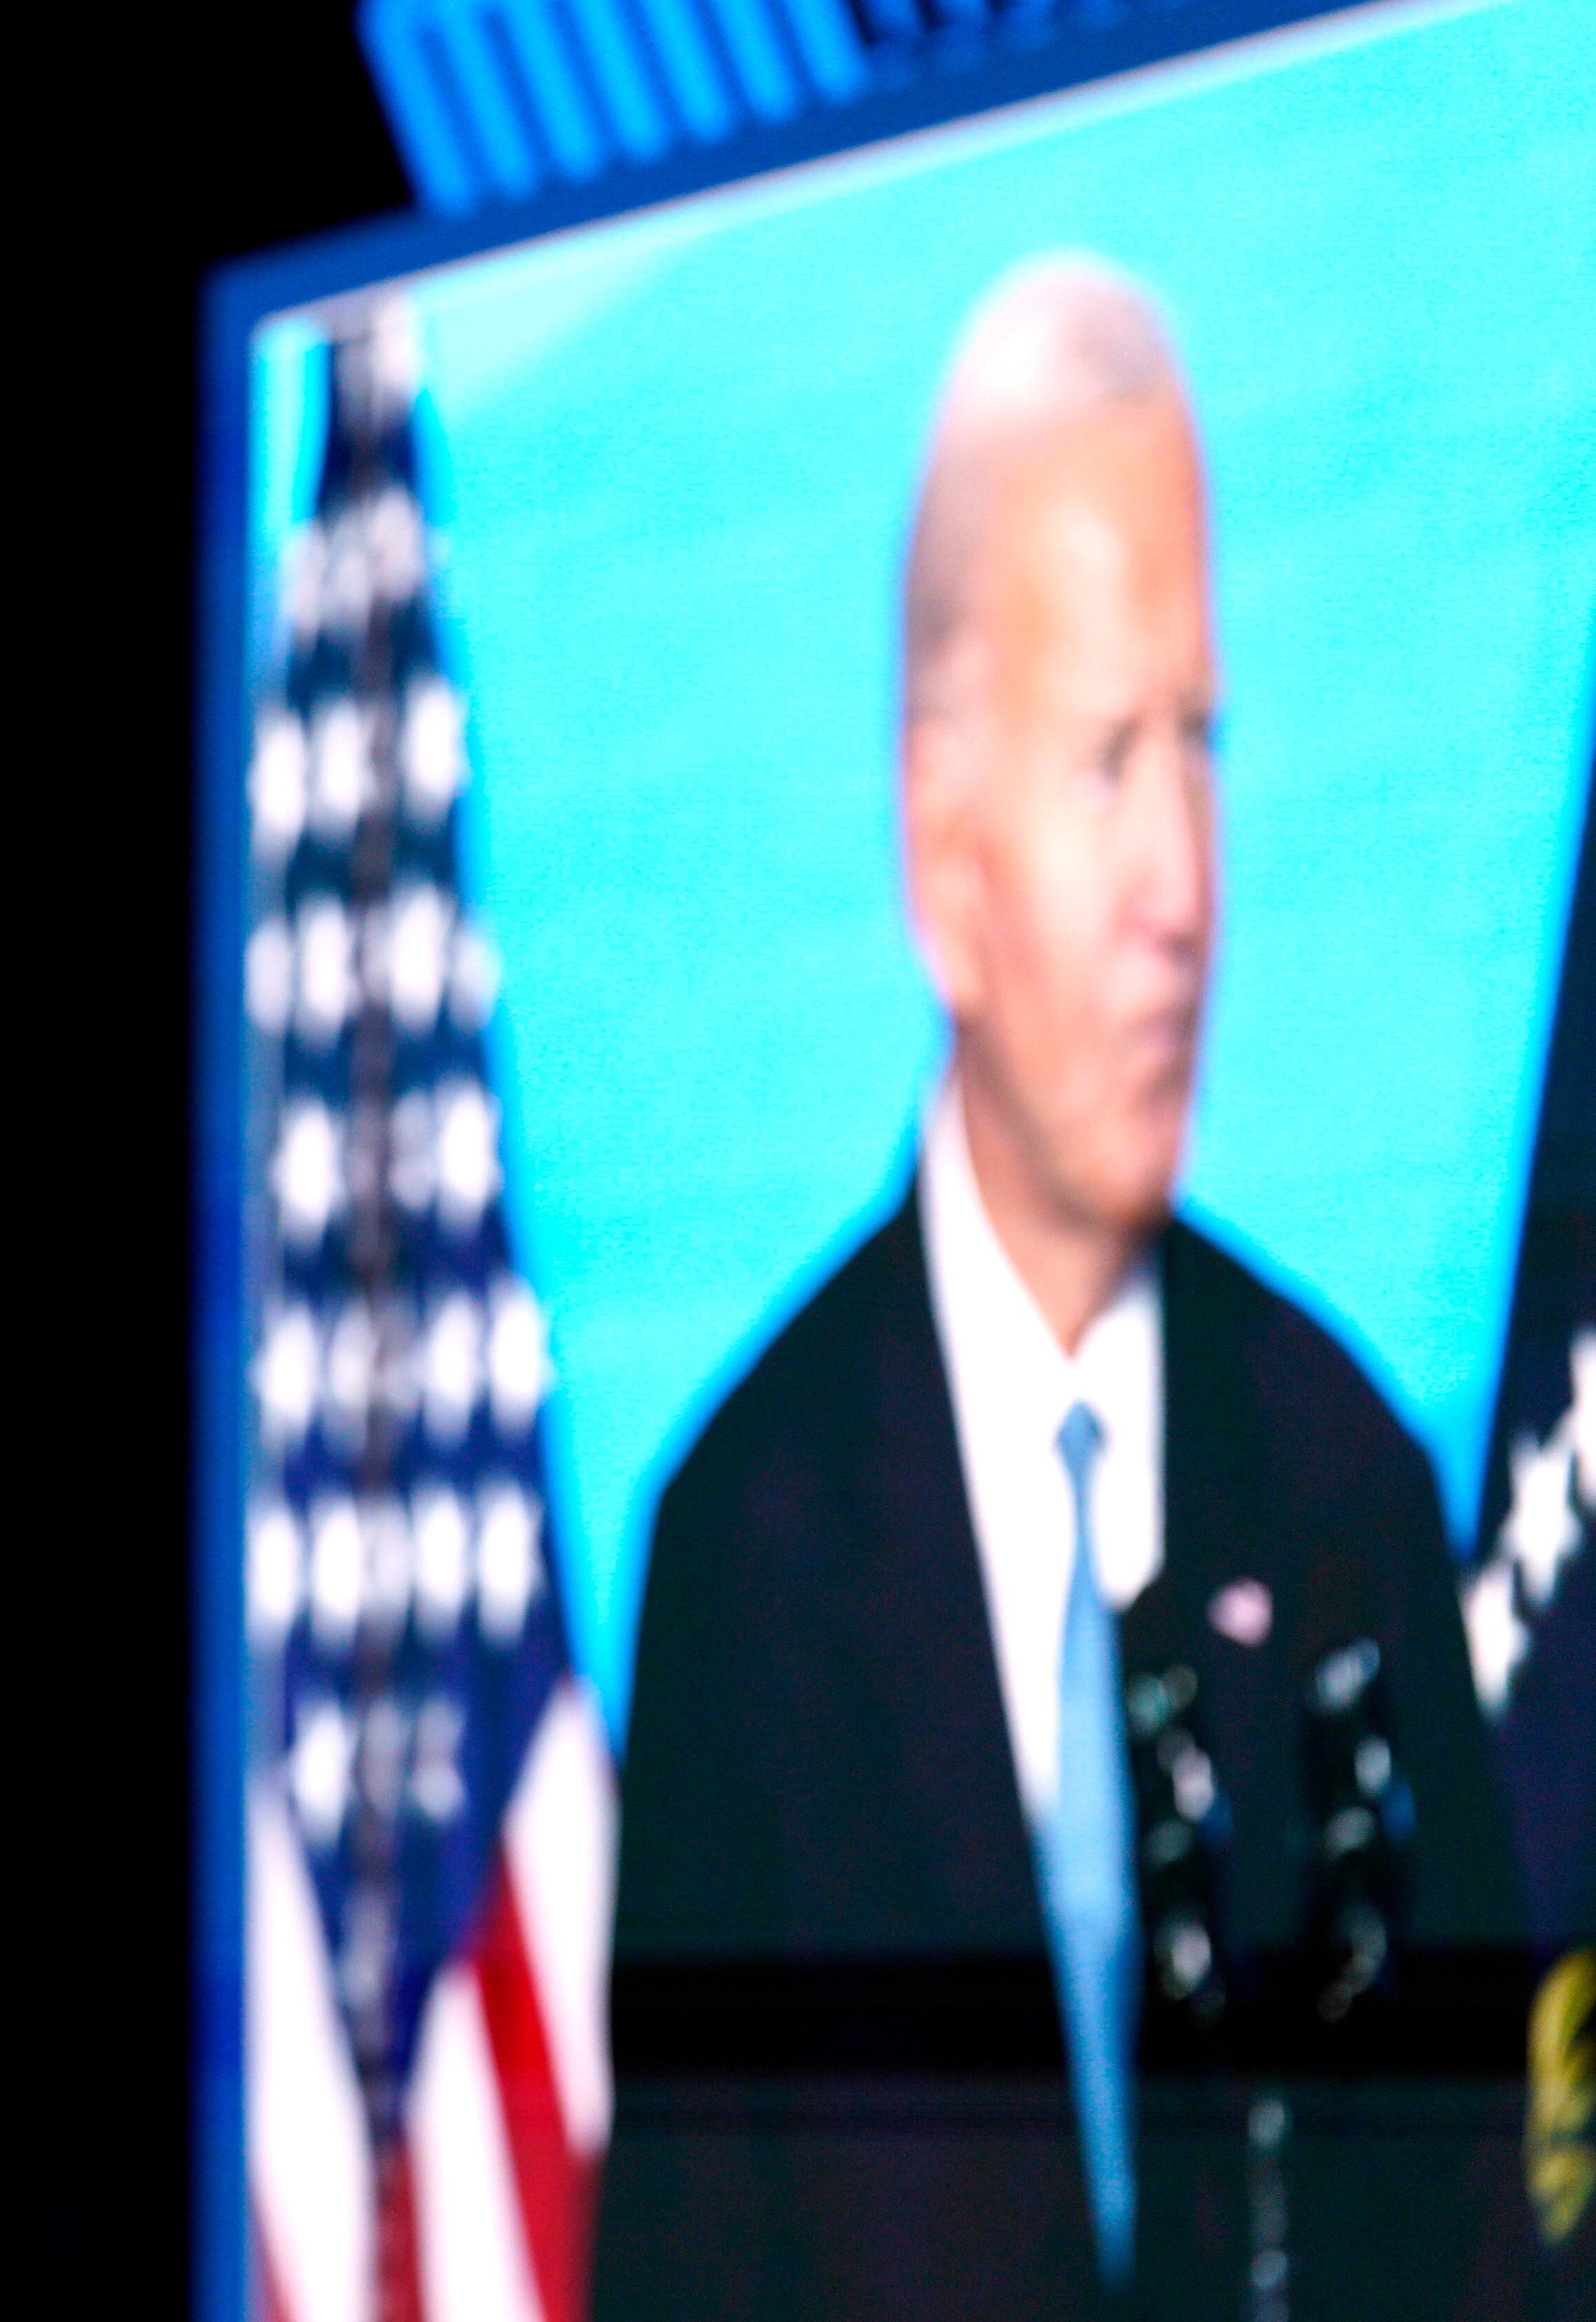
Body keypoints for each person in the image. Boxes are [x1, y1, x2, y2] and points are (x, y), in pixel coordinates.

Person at [597, 258, 1520, 2319]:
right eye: (1107, 761)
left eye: (1204, 744)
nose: (1185, 885)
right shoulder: (744, 1543)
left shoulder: (1346, 1476)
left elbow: (1478, 2238)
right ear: (941, 851)